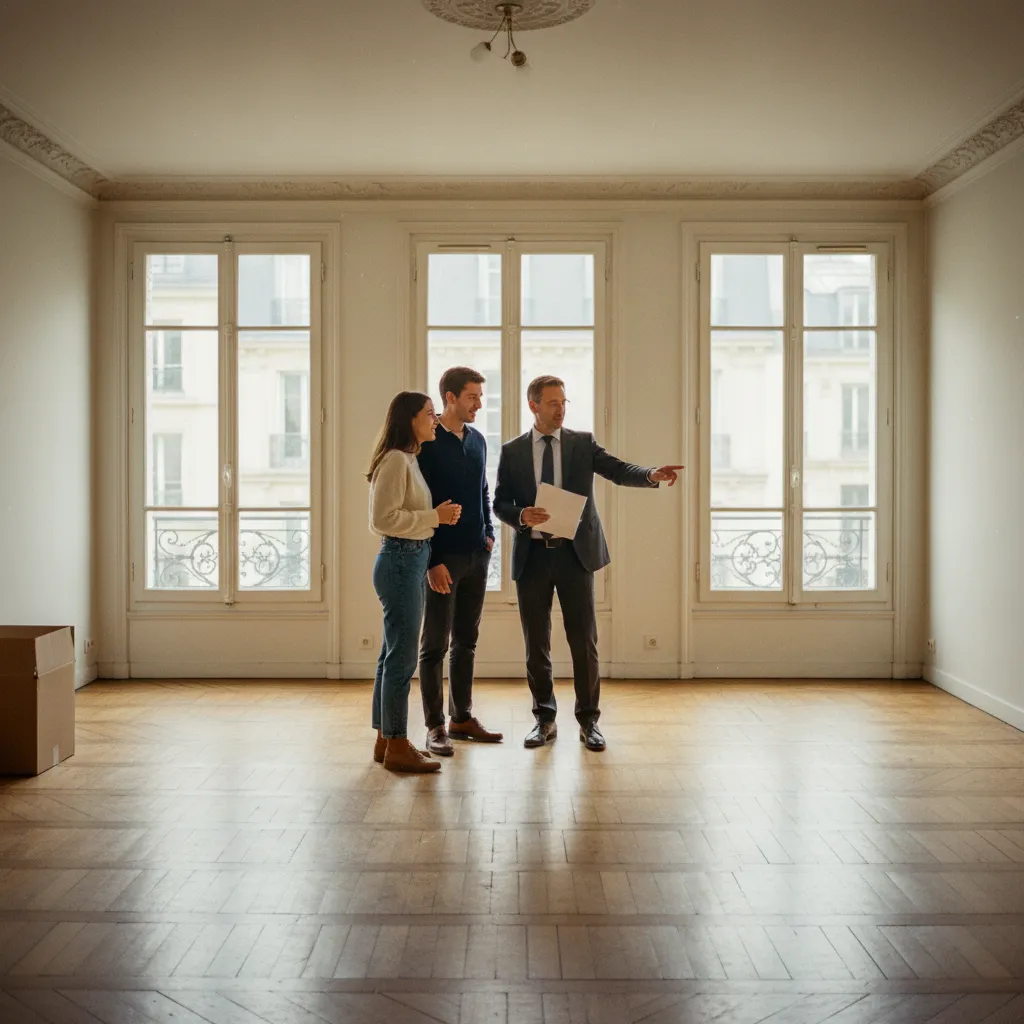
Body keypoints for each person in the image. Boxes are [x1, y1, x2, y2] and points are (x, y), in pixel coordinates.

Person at [493, 375, 683, 752]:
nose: (560, 408)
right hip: (532, 558)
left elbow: (617, 469)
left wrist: (650, 475)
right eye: (552, 403)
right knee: (537, 645)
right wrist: (521, 515)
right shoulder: (513, 451)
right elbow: (499, 502)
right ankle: (544, 720)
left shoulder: (582, 443)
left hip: (574, 555)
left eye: (563, 402)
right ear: (533, 405)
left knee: (584, 642)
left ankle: (589, 722)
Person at [367, 391, 461, 773]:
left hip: (408, 560)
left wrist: (432, 518)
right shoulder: (394, 460)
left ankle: (385, 741)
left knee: (391, 657)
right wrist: (435, 518)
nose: (435, 419)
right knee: (402, 660)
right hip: (401, 561)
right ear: (410, 420)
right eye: (428, 414)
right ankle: (399, 745)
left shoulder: (407, 459)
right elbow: (383, 519)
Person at [416, 367, 503, 756]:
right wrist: (432, 560)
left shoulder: (478, 440)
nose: (479, 404)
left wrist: (488, 534)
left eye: (480, 397)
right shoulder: (427, 443)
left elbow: (483, 489)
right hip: (441, 560)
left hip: (476, 556)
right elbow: (420, 504)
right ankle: (435, 727)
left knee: (466, 641)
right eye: (472, 397)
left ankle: (461, 718)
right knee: (435, 644)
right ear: (450, 397)